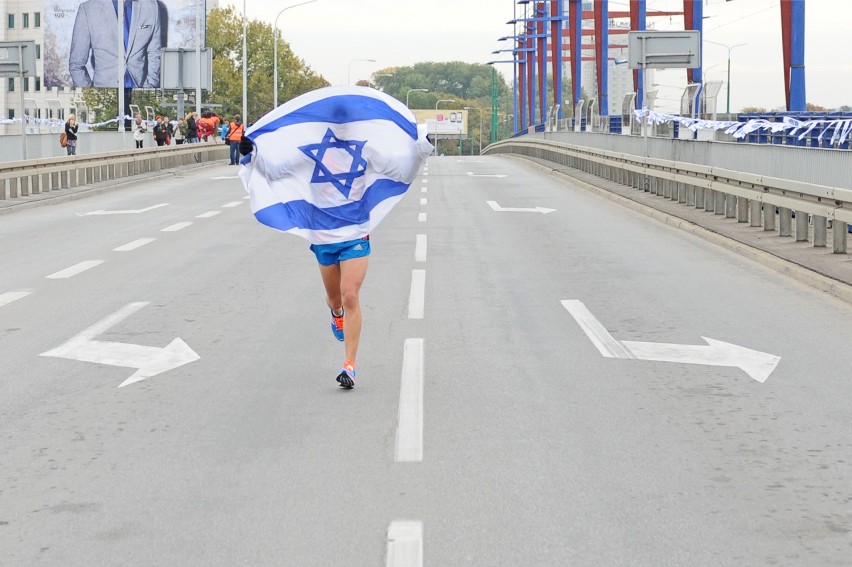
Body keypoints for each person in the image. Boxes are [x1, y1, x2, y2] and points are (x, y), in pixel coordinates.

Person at [69, 0, 162, 88]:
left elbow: (155, 53)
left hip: (139, 92)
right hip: (104, 95)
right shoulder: (88, 9)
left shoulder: (151, 6)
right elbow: (76, 64)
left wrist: (149, 86)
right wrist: (90, 93)